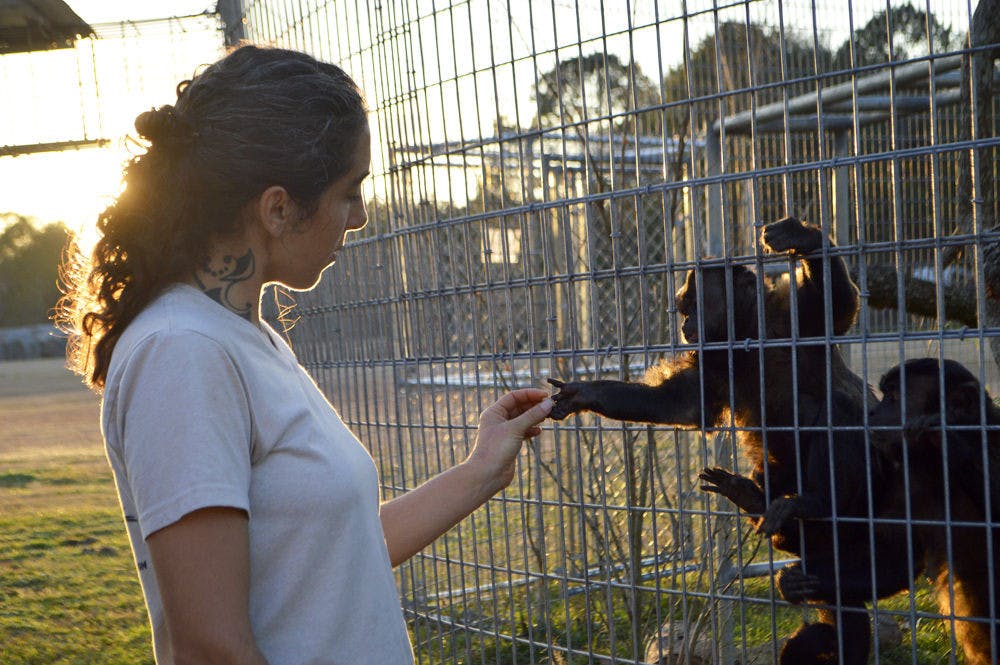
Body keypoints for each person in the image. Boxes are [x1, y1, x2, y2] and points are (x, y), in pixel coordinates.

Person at [57, 44, 553, 665]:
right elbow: (212, 648)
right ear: (277, 207)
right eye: (350, 191)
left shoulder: (243, 337)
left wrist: (482, 469)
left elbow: (329, 557)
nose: (361, 216)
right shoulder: (182, 353)